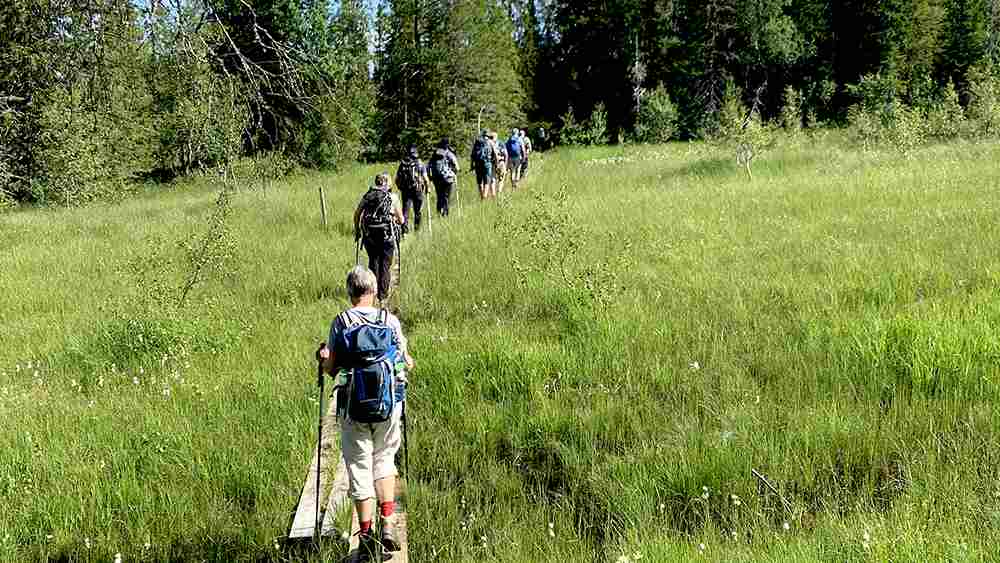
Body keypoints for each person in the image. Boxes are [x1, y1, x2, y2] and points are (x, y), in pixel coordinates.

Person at [319, 266, 414, 559]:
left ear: (350, 292)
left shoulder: (342, 323)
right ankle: (388, 524)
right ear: (373, 291)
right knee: (384, 460)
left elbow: (333, 368)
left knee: (359, 467)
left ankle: (366, 534)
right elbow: (406, 362)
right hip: (388, 404)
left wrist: (323, 358)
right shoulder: (390, 321)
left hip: (353, 407)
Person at [354, 173, 404, 302]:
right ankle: (383, 296)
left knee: (373, 262)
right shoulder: (392, 197)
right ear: (386, 183)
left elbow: (357, 214)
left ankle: (372, 294)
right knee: (385, 265)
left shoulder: (368, 196)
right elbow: (401, 219)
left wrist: (357, 230)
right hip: (387, 235)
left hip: (369, 235)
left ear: (376, 182)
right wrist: (398, 222)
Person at [395, 146, 430, 234]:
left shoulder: (403, 164)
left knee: (405, 211)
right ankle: (417, 230)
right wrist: (427, 188)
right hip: (417, 190)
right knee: (417, 211)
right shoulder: (420, 163)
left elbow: (396, 179)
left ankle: (404, 231)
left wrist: (401, 187)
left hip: (405, 191)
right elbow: (426, 179)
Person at [428, 138, 459, 216]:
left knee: (439, 196)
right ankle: (445, 213)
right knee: (446, 197)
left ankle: (439, 212)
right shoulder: (449, 153)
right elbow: (456, 166)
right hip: (448, 179)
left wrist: (430, 176)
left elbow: (428, 166)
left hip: (436, 178)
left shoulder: (435, 154)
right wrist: (454, 172)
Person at [470, 130, 495, 200]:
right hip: (487, 163)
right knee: (487, 181)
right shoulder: (490, 142)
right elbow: (495, 153)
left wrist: (471, 165)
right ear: (488, 135)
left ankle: (481, 196)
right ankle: (484, 196)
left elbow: (472, 155)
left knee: (479, 181)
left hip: (478, 164)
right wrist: (497, 162)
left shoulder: (477, 142)